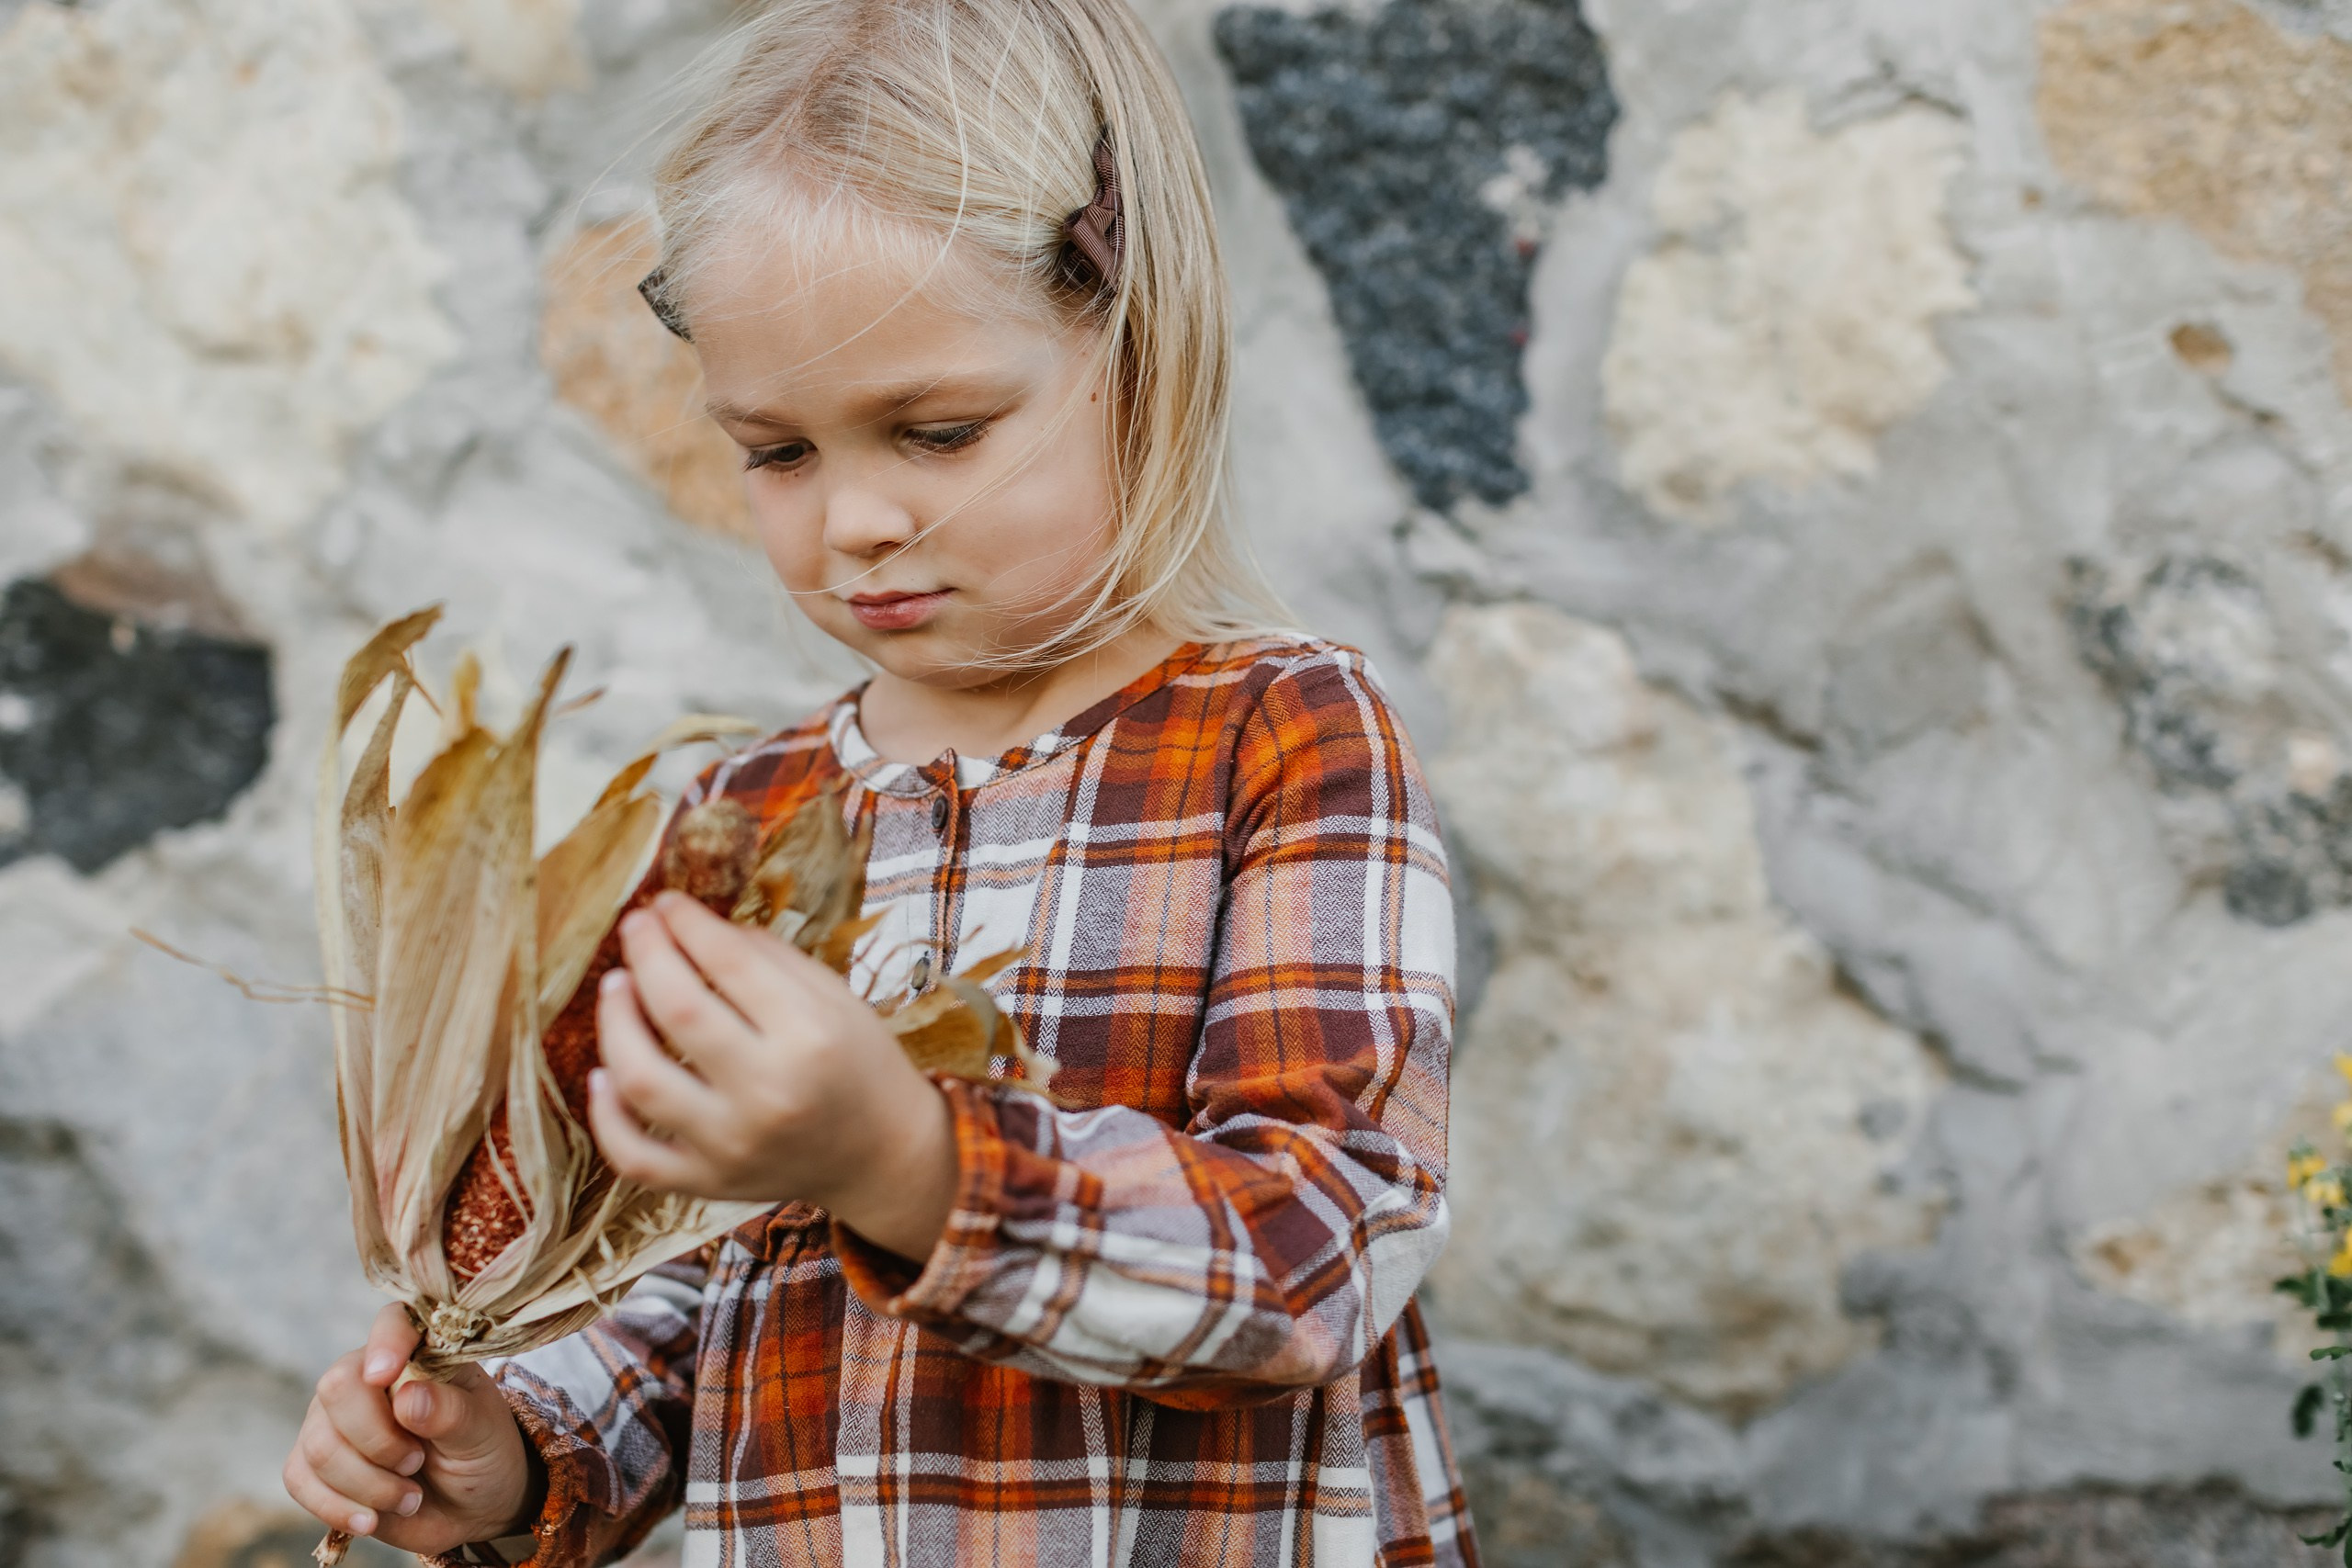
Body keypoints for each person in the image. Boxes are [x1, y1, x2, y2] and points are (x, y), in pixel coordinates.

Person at [280, 1, 1470, 1561]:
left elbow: (1321, 1256)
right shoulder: (746, 821)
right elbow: (689, 1292)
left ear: (1142, 350)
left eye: (937, 431)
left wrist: (906, 1165)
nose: (851, 522)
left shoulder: (1286, 738)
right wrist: (517, 1452)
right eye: (778, 453)